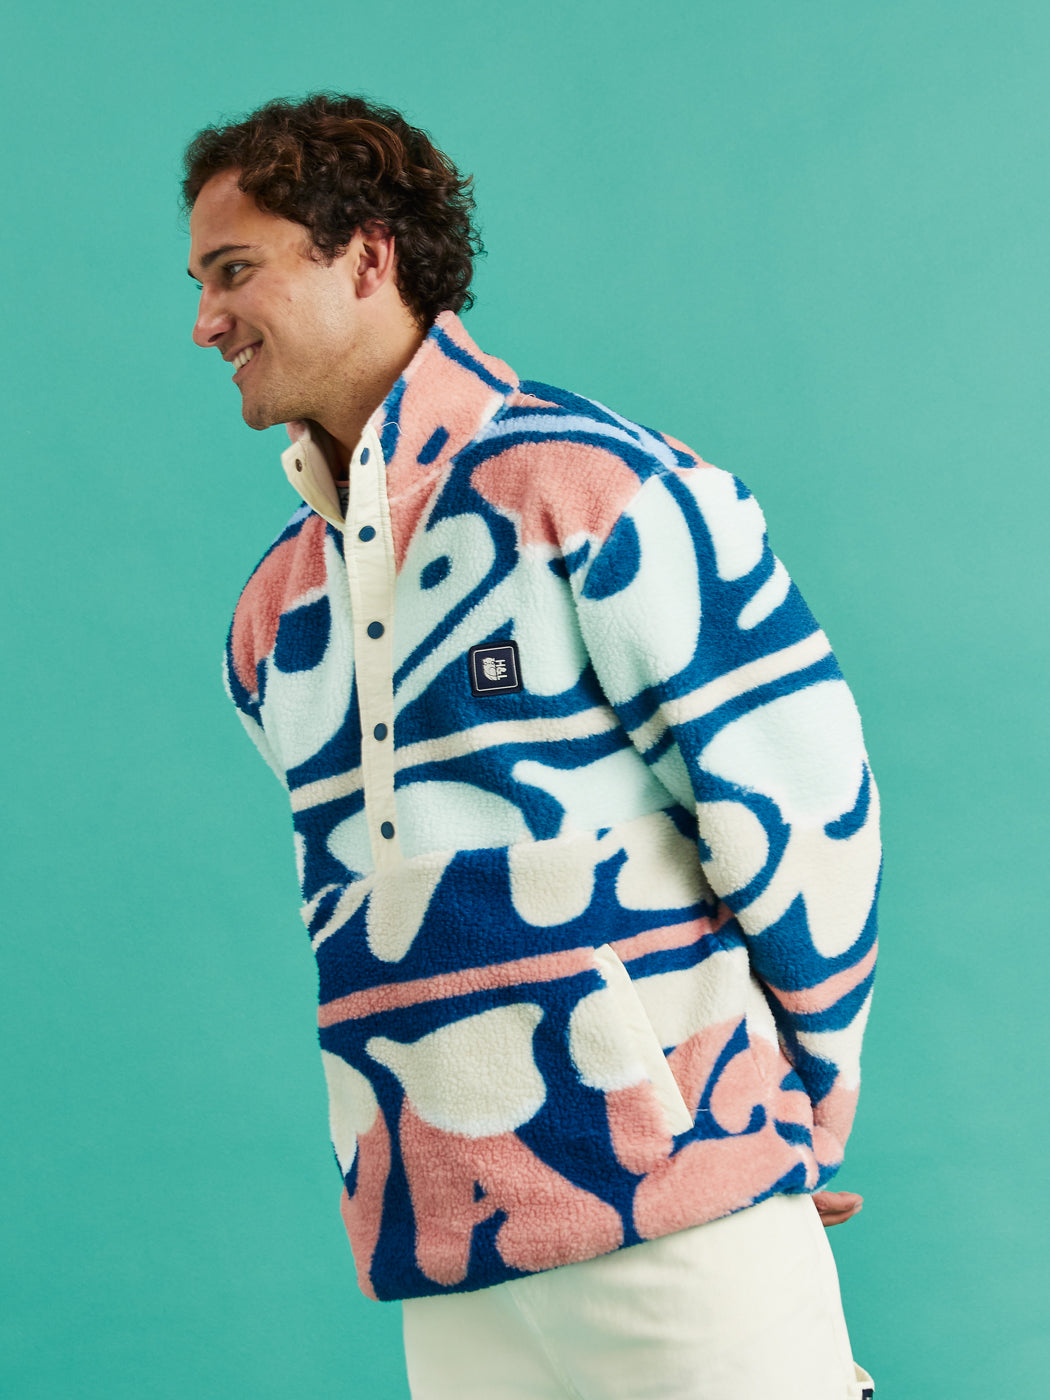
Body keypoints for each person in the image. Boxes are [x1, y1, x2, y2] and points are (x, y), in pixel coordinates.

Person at [184, 93, 879, 1399]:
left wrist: (797, 1112)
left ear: (366, 257)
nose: (206, 321)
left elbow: (802, 800)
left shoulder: (594, 488)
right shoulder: (276, 617)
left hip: (685, 1224)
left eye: (235, 271)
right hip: (447, 1249)